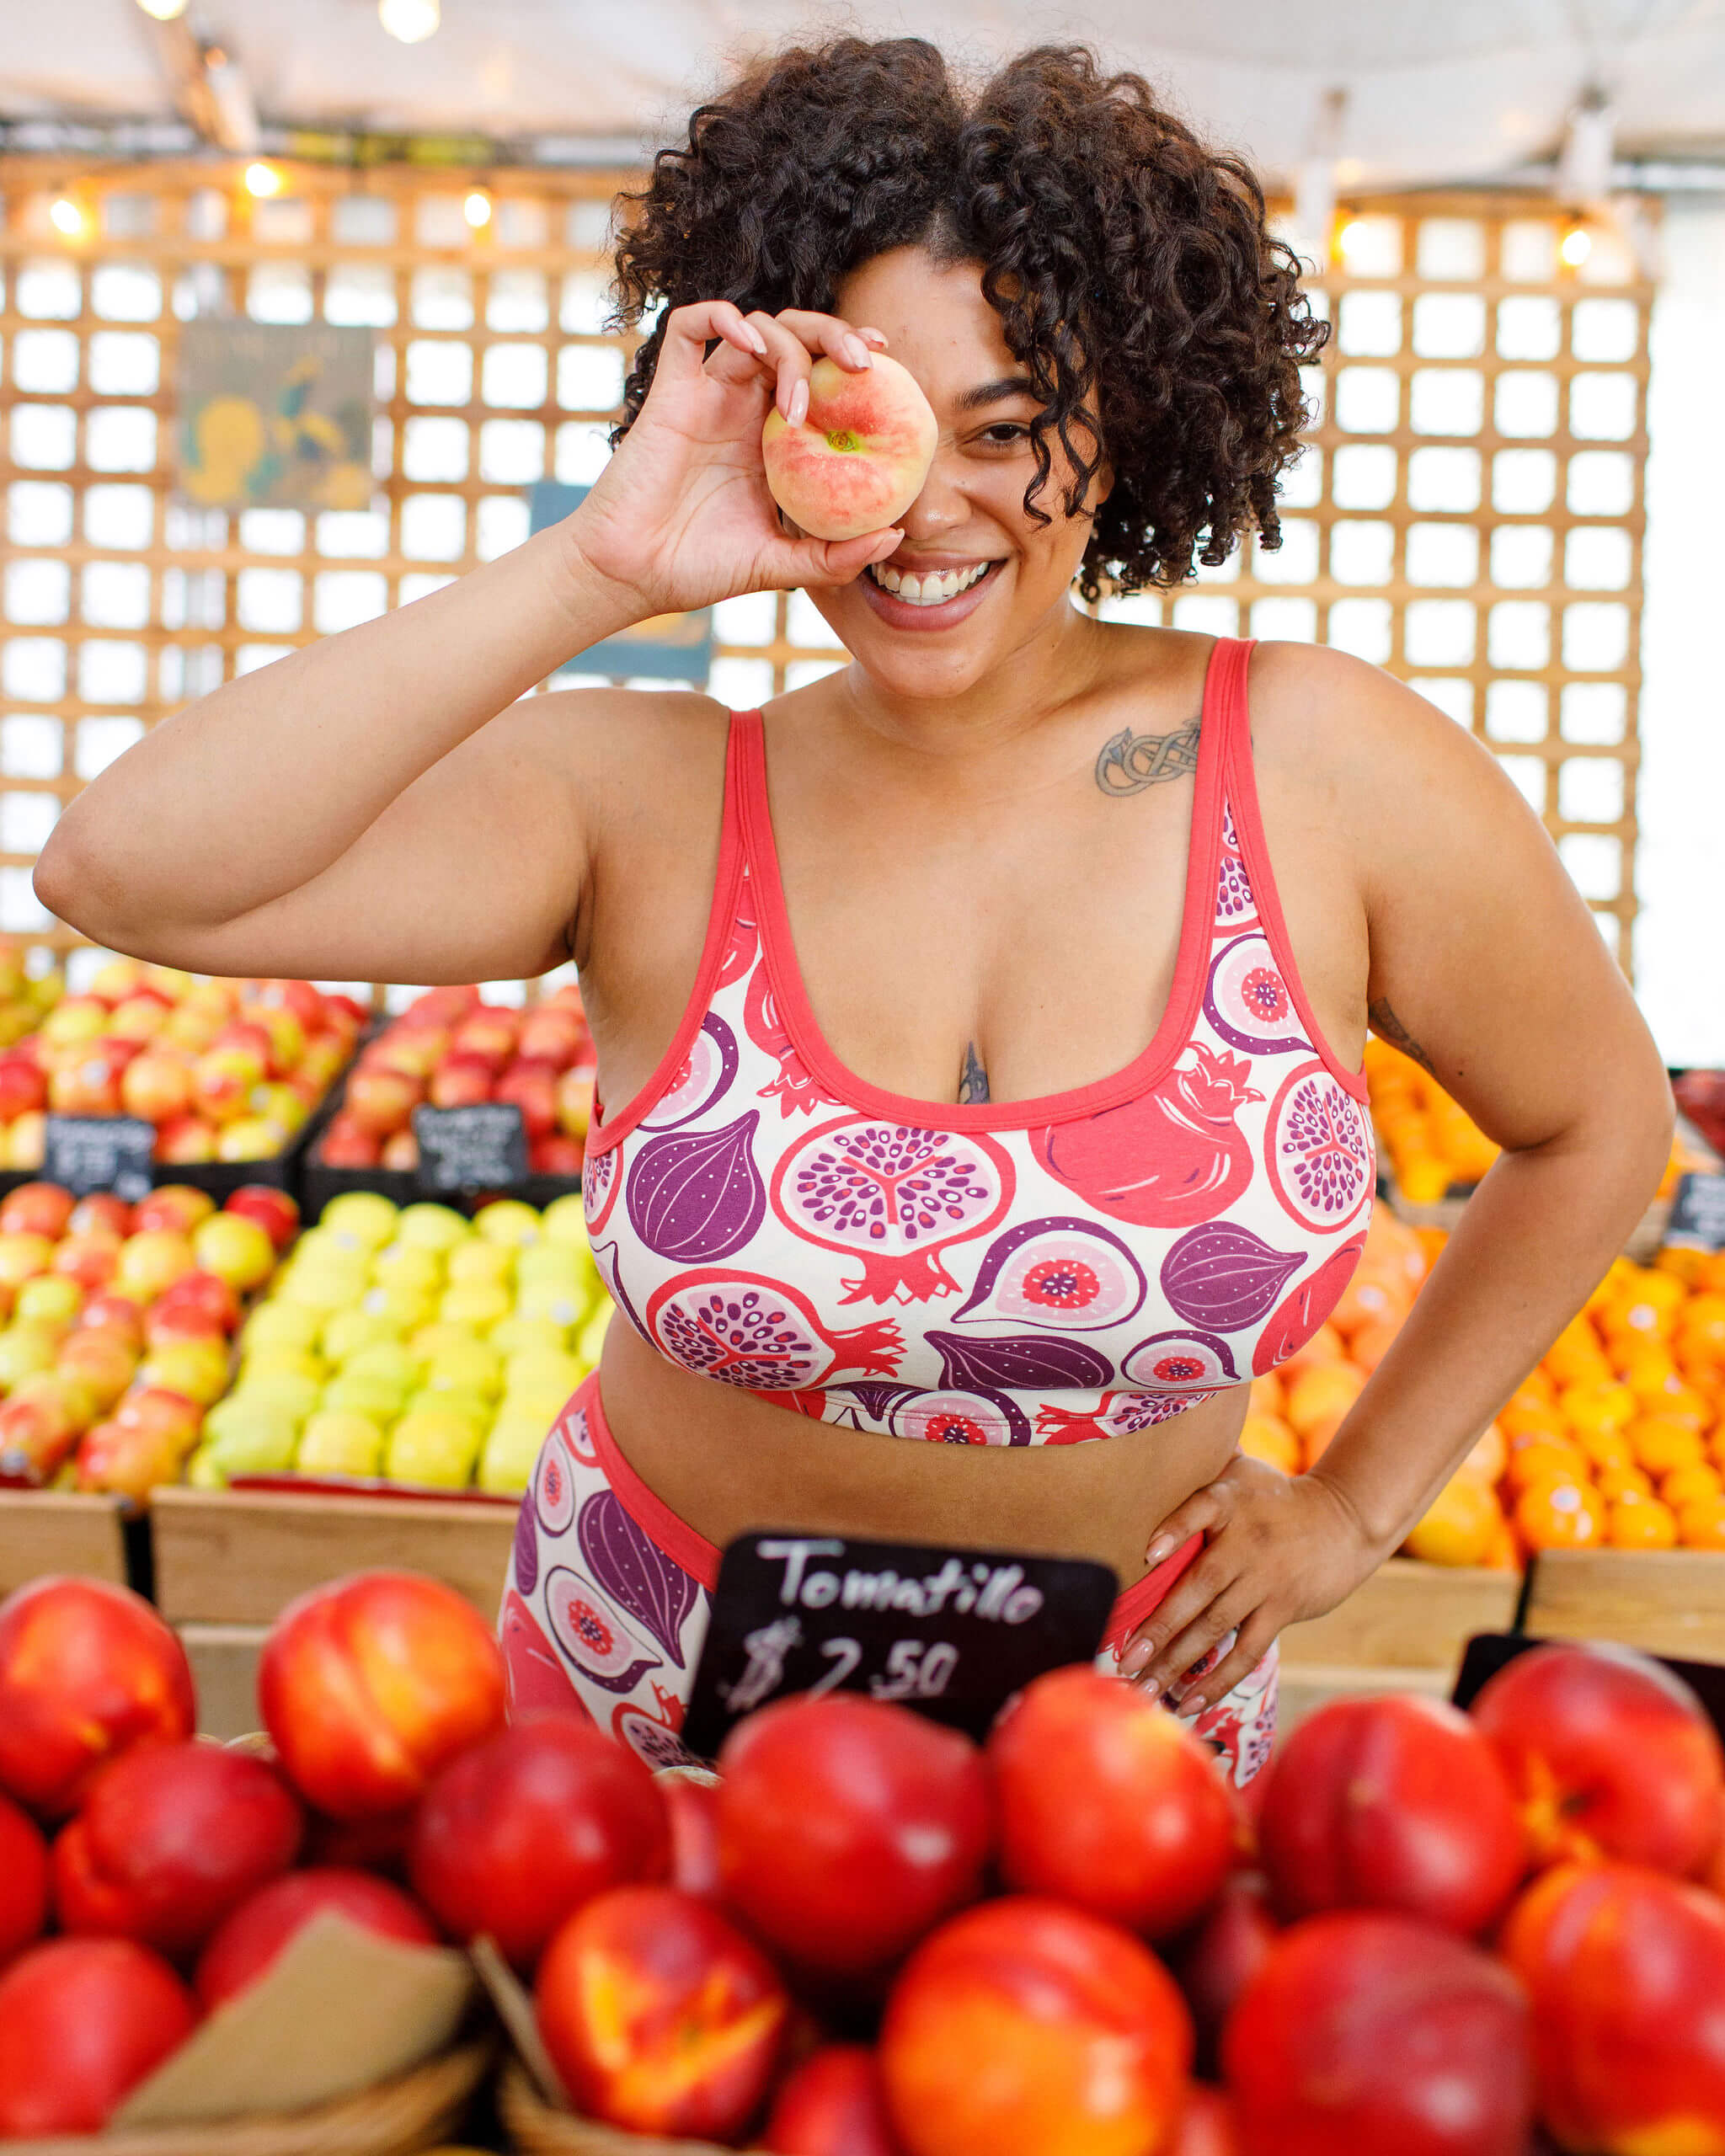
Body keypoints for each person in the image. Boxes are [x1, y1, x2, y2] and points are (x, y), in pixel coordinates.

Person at [37, 39, 1673, 1785]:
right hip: (641, 1706)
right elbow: (123, 869)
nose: (928, 509)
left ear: (1127, 418)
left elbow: (1596, 1122)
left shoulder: (1321, 766)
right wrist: (597, 564)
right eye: (872, 426)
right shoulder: (651, 798)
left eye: (1010, 431)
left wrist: (1355, 1505)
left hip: (1120, 1743)